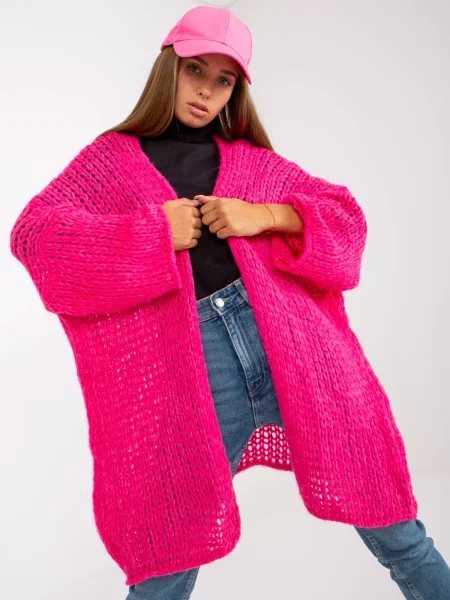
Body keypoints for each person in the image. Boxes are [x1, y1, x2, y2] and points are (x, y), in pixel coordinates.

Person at [9, 5, 450, 600]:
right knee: (171, 545)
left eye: (223, 80)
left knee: (391, 520)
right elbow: (35, 236)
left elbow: (347, 224)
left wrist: (265, 215)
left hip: (294, 351)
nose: (206, 91)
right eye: (196, 70)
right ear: (169, 67)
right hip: (195, 362)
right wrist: (153, 233)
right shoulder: (109, 161)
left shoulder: (254, 163)